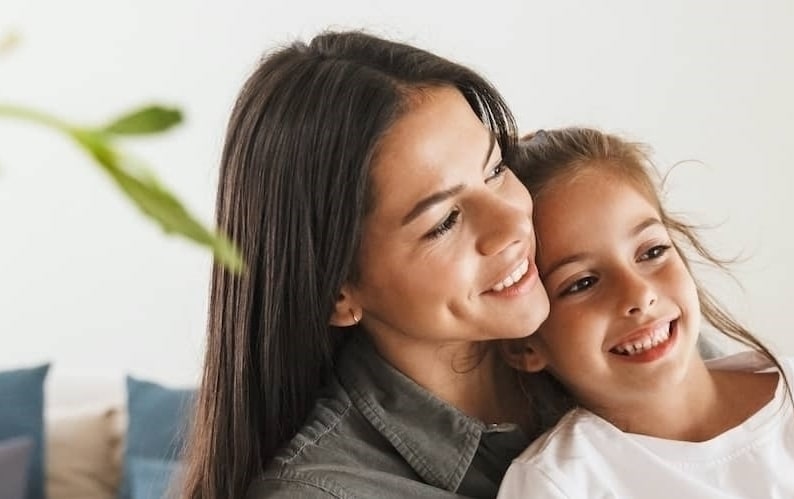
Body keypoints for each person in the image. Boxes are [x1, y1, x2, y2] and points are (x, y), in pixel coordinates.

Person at [180, 31, 557, 499]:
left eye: (496, 170)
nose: (512, 225)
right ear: (338, 292)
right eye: (444, 222)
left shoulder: (594, 355)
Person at [496, 128, 794, 498]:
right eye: (582, 283)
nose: (639, 294)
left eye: (652, 251)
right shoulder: (558, 484)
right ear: (524, 343)